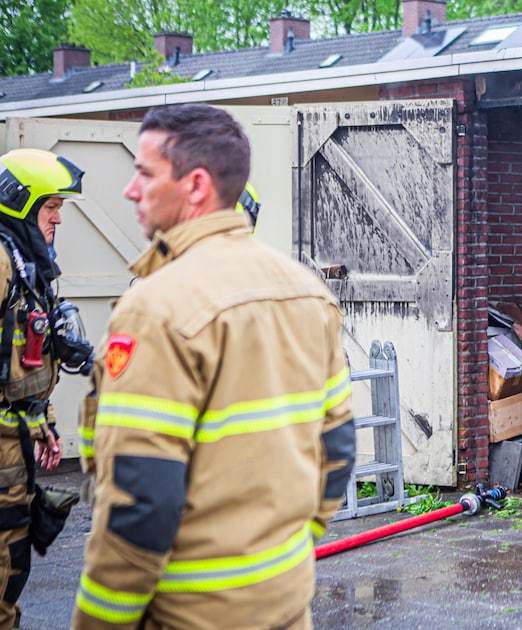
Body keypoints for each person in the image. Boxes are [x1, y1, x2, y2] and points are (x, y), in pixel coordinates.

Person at [73, 104, 355, 629]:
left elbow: (142, 501)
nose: (131, 191)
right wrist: (285, 554)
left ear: (196, 185)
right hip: (287, 607)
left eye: (144, 173)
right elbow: (336, 453)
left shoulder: (155, 307)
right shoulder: (308, 294)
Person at [0, 148, 88, 630]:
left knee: (13, 568)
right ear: (20, 204)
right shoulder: (0, 261)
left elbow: (20, 366)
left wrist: (42, 422)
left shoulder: (29, 267)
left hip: (16, 450)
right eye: (51, 207)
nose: (58, 218)